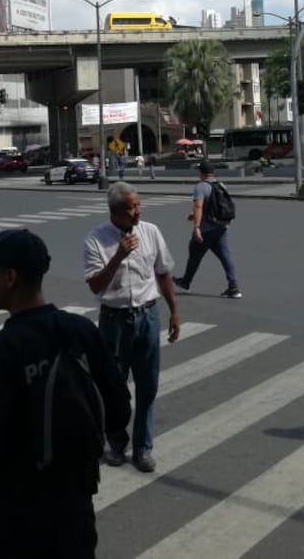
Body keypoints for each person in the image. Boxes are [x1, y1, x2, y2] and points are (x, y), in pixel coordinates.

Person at [0, 229, 131, 559]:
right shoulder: (82, 331)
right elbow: (119, 413)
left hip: (12, 521)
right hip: (74, 513)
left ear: (10, 277)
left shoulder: (5, 348)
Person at [82, 182, 180, 474]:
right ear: (115, 211)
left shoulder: (150, 232)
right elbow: (95, 285)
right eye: (131, 207)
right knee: (114, 387)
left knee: (148, 386)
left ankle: (142, 448)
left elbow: (163, 273)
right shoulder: (96, 239)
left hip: (147, 316)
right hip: (114, 320)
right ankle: (116, 444)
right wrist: (118, 257)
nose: (138, 211)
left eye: (138, 205)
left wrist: (174, 311)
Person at [174, 161, 241, 299]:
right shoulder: (221, 185)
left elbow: (199, 206)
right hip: (221, 228)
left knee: (194, 255)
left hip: (206, 230)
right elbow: (217, 206)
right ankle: (234, 287)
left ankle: (185, 282)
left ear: (202, 173)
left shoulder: (201, 186)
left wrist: (197, 227)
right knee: (226, 257)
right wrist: (195, 215)